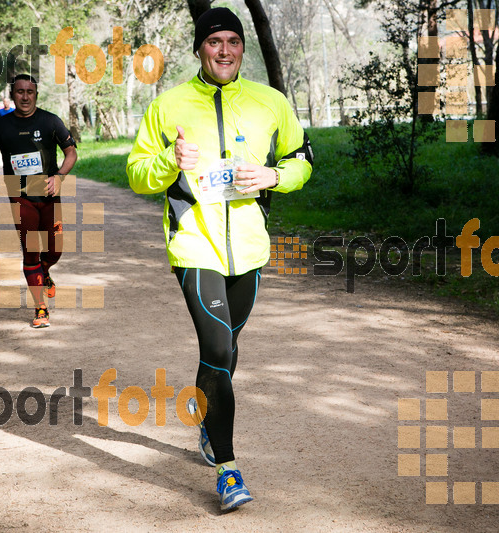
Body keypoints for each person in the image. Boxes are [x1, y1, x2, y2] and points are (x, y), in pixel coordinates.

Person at [126, 7, 313, 511]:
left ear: (242, 48)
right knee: (214, 343)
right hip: (194, 244)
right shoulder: (169, 106)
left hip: (249, 247)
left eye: (233, 41)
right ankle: (229, 473)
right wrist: (170, 162)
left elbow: (302, 159)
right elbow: (137, 172)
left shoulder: (270, 102)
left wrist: (275, 177)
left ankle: (206, 414)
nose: (224, 50)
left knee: (224, 353)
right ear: (199, 49)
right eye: (214, 42)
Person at [0, 74, 77, 328]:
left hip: (48, 193)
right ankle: (41, 309)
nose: (25, 97)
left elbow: (71, 153)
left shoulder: (50, 121)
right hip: (19, 195)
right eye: (20, 92)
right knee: (31, 251)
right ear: (12, 94)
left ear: (36, 94)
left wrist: (60, 177)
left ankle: (44, 272)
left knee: (55, 250)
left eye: (30, 92)